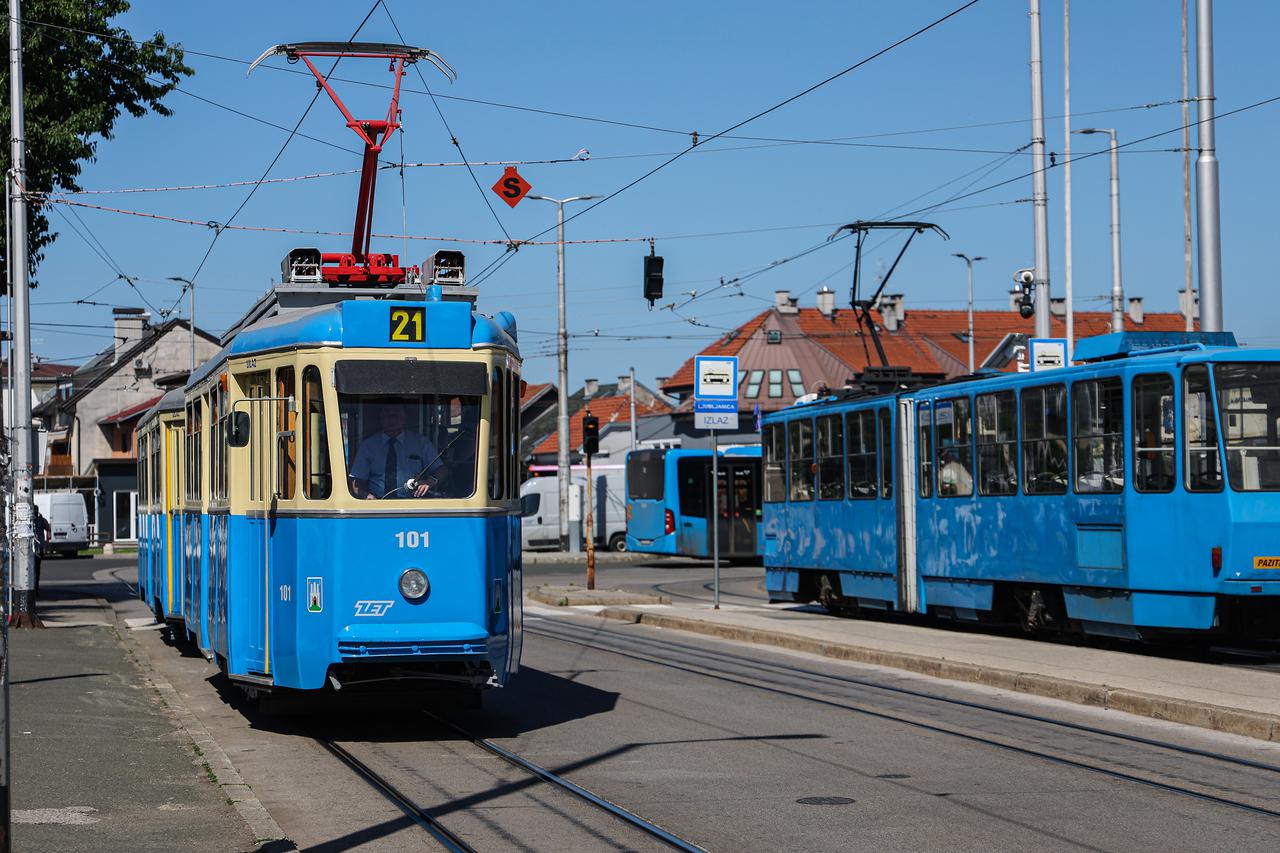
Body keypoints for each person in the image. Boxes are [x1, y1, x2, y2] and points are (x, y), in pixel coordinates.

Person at [349, 402, 443, 499]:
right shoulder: (368, 446)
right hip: (377, 504)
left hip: (414, 504)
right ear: (380, 418)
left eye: (396, 413)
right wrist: (366, 496)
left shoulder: (421, 443)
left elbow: (441, 469)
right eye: (387, 414)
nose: (391, 418)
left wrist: (430, 482)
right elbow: (356, 482)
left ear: (404, 418)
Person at [32, 505, 50, 596]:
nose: (35, 512)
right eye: (33, 510)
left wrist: (42, 519)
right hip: (30, 548)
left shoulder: (40, 520)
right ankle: (33, 588)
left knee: (36, 569)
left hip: (39, 548)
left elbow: (48, 528)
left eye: (36, 510)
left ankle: (36, 589)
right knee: (32, 570)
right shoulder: (29, 521)